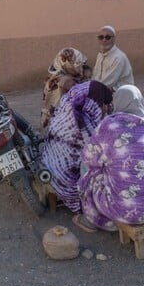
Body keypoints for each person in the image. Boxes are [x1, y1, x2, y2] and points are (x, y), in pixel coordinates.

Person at [73, 85, 144, 233]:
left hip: (122, 211)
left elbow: (89, 158)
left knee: (90, 171)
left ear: (118, 102)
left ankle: (92, 218)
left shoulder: (108, 126)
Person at [41, 80, 113, 214]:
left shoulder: (67, 104)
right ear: (95, 102)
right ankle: (92, 208)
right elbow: (96, 152)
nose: (103, 108)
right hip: (66, 177)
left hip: (49, 163)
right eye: (102, 104)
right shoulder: (82, 122)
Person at [40, 47, 91, 131]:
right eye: (77, 64)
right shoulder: (68, 81)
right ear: (68, 64)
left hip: (51, 122)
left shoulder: (52, 77)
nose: (80, 67)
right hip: (69, 124)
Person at [92, 25, 134, 91]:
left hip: (122, 93)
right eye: (101, 37)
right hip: (105, 88)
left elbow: (108, 82)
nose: (104, 40)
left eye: (108, 37)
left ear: (114, 39)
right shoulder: (100, 55)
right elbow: (95, 76)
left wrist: (90, 89)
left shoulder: (118, 57)